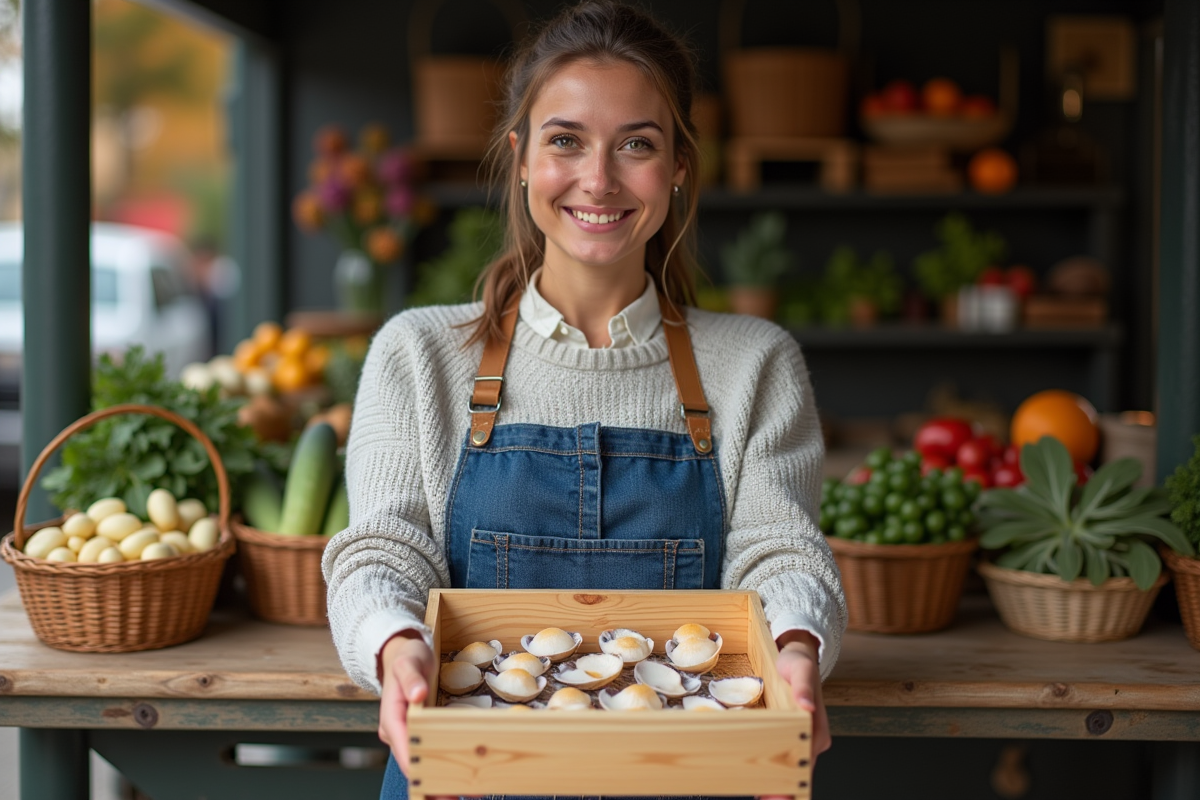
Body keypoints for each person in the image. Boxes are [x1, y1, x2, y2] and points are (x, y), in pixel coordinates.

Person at [321, 2, 847, 798]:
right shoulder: (419, 354)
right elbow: (382, 553)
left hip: (697, 776)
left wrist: (797, 656)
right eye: (565, 140)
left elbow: (780, 555)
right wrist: (396, 646)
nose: (597, 179)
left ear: (677, 167)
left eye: (637, 144)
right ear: (522, 157)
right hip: (471, 774)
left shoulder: (753, 364)